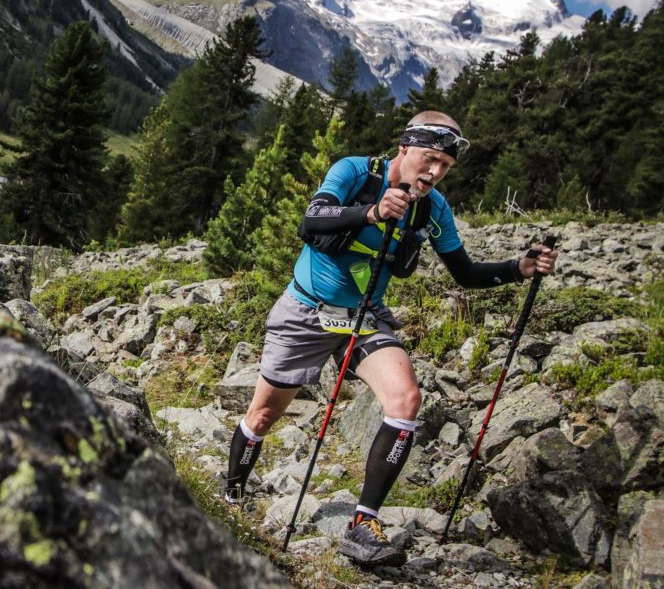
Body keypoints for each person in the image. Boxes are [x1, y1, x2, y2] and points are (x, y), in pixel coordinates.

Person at [223, 111, 558, 567]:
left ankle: (364, 524)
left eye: (445, 165)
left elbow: (464, 272)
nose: (435, 172)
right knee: (262, 416)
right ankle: (232, 490)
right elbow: (312, 219)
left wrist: (516, 269)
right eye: (429, 158)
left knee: (406, 400)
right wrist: (373, 211)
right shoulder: (355, 172)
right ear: (405, 147)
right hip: (305, 310)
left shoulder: (434, 207)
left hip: (364, 317)